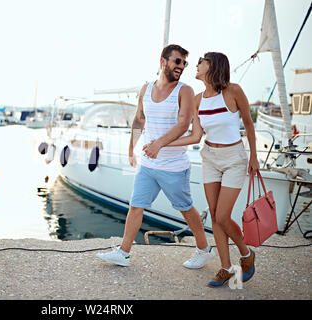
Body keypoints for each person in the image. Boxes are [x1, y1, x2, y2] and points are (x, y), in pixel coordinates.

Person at [96, 44, 214, 269]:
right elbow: (139, 119)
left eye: (184, 63)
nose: (181, 67)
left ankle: (204, 249)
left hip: (174, 166)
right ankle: (124, 252)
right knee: (136, 205)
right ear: (163, 61)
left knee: (186, 208)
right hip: (148, 163)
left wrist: (159, 144)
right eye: (177, 61)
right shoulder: (146, 88)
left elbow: (183, 125)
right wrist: (132, 147)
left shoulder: (185, 90)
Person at [161, 52, 259, 287]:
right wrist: (164, 142)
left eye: (201, 61)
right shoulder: (197, 99)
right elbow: (196, 135)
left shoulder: (233, 91)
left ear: (213, 66)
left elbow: (248, 122)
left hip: (234, 158)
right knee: (214, 215)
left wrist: (254, 156)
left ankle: (246, 255)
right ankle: (225, 268)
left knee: (223, 216)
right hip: (209, 157)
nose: (195, 64)